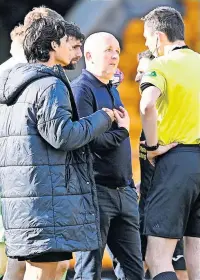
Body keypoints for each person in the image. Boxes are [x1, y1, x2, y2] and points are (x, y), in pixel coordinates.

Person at [0, 18, 117, 280]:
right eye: (68, 42)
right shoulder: (50, 85)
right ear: (53, 45)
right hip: (46, 198)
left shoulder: (13, 85)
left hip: (23, 196)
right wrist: (101, 118)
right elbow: (63, 136)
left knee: (31, 268)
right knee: (42, 272)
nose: (74, 49)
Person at [0, 7, 75, 280]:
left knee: (23, 265)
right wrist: (98, 122)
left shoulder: (9, 77)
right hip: (40, 191)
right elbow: (61, 135)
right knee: (39, 267)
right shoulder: (43, 81)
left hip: (18, 188)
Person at [72, 32, 144, 280]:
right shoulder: (81, 90)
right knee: (89, 271)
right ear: (88, 56)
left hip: (124, 192)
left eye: (117, 50)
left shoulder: (112, 89)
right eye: (108, 50)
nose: (115, 55)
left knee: (134, 271)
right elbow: (87, 141)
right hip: (96, 192)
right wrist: (123, 132)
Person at [140, 6, 200, 280]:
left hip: (176, 160)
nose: (146, 45)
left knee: (158, 257)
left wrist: (152, 147)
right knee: (196, 255)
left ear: (158, 38)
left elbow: (147, 105)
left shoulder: (160, 64)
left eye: (146, 39)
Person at [136, 50, 188, 280]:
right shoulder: (152, 122)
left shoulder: (169, 124)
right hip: (148, 206)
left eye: (143, 72)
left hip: (169, 208)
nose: (138, 78)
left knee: (174, 266)